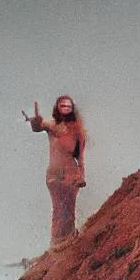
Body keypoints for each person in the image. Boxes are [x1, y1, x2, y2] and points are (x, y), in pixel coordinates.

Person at [22, 96, 86, 248]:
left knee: (69, 210)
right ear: (57, 108)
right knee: (58, 208)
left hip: (70, 176)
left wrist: (81, 175)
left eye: (68, 106)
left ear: (72, 109)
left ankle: (67, 243)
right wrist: (35, 121)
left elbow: (80, 157)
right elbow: (40, 126)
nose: (65, 108)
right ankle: (58, 243)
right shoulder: (52, 124)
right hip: (54, 175)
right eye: (62, 106)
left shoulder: (77, 131)